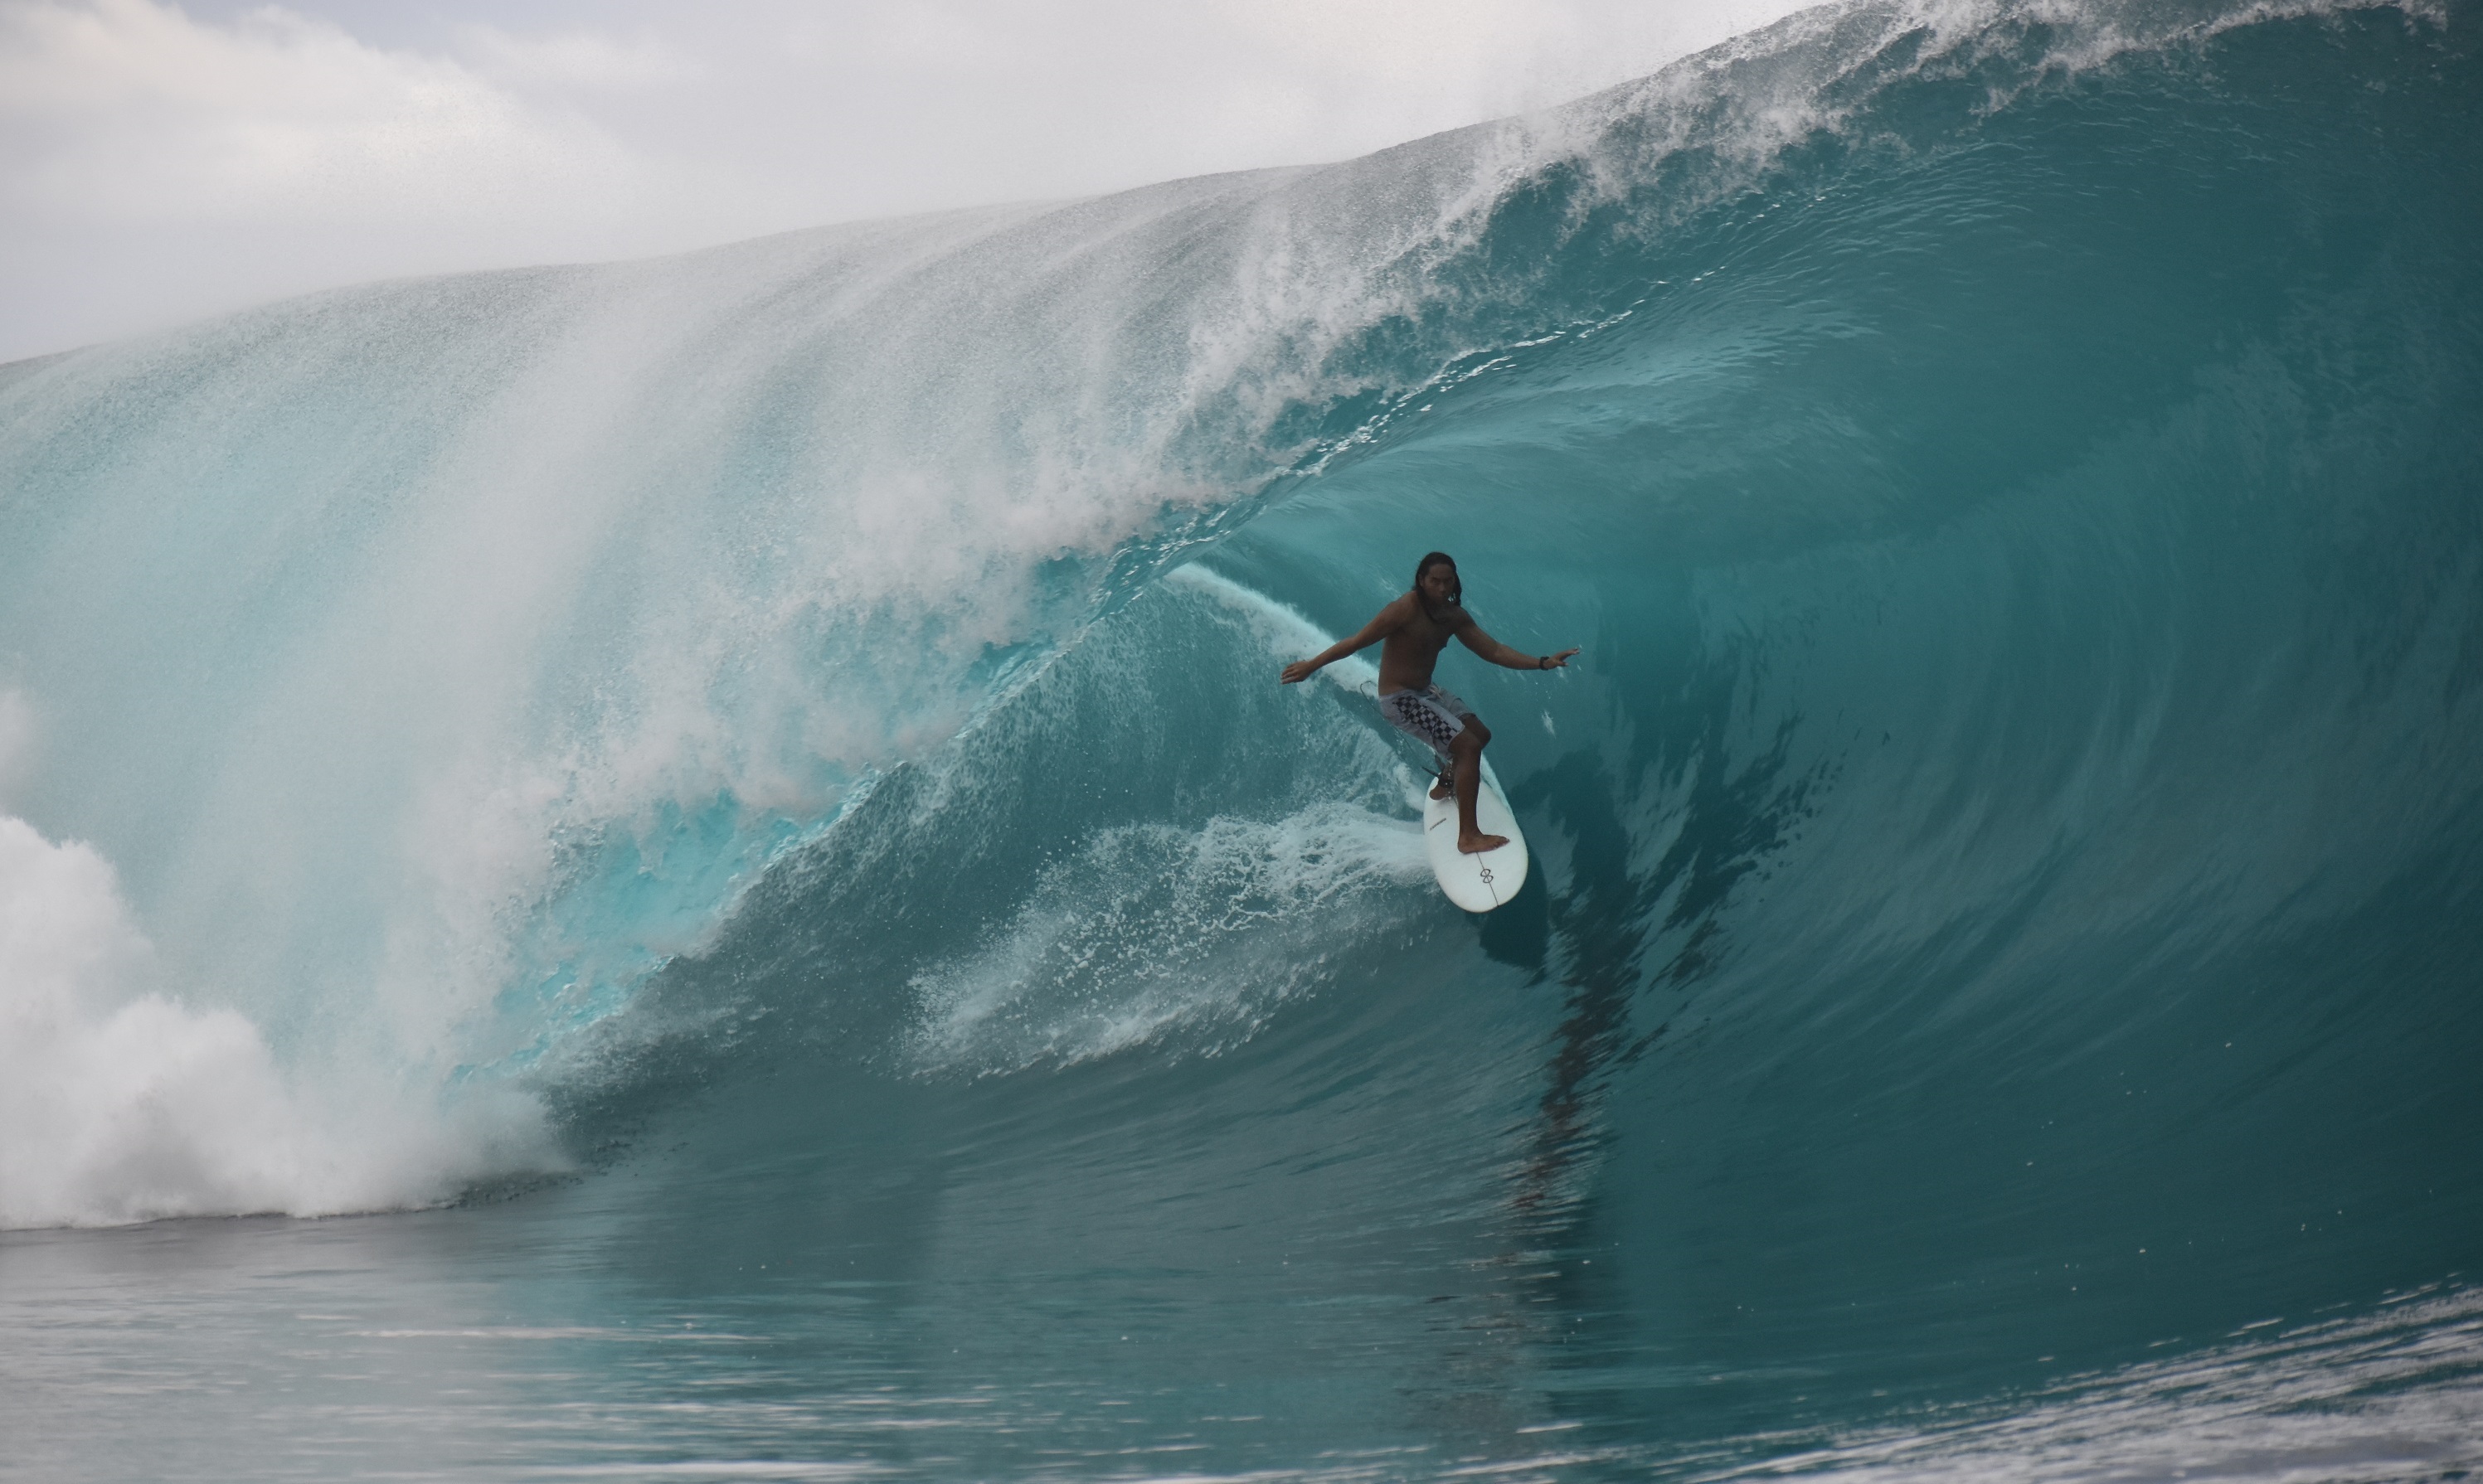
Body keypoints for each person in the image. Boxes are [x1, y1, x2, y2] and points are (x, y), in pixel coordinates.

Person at [1281, 551, 1577, 854]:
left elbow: (1496, 651)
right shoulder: (1404, 609)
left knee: (1481, 735)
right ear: (1421, 581)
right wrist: (1311, 665)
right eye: (1434, 581)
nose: (1441, 588)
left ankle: (1448, 781)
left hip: (1427, 692)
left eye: (1447, 582)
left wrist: (1543, 662)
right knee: (1469, 746)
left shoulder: (1453, 616)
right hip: (1400, 700)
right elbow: (1355, 642)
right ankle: (1468, 836)